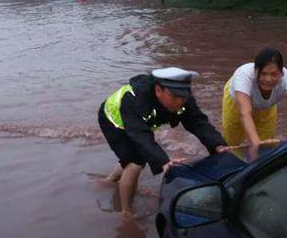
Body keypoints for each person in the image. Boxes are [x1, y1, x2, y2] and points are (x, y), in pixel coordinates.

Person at [98, 67, 229, 218]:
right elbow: (140, 136)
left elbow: (198, 122)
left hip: (139, 126)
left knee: (135, 156)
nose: (181, 101)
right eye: (175, 96)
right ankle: (126, 212)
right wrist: (163, 161)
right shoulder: (134, 99)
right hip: (113, 121)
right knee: (136, 162)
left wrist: (218, 145)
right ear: (158, 90)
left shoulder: (183, 99)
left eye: (184, 96)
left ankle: (111, 180)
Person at [221, 48, 287, 161]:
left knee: (267, 148)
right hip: (237, 104)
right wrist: (256, 145)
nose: (268, 79)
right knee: (230, 146)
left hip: (266, 107)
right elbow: (245, 114)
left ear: (281, 73)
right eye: (263, 74)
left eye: (274, 74)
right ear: (255, 71)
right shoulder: (243, 76)